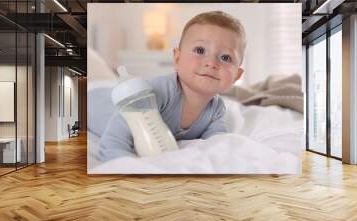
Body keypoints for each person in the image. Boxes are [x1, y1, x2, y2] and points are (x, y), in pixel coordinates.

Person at [98, 10, 246, 161]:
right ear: (177, 58)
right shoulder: (158, 92)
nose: (211, 63)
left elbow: (217, 144)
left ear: (236, 76)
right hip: (99, 101)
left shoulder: (216, 109)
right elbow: (112, 145)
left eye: (225, 57)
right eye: (200, 50)